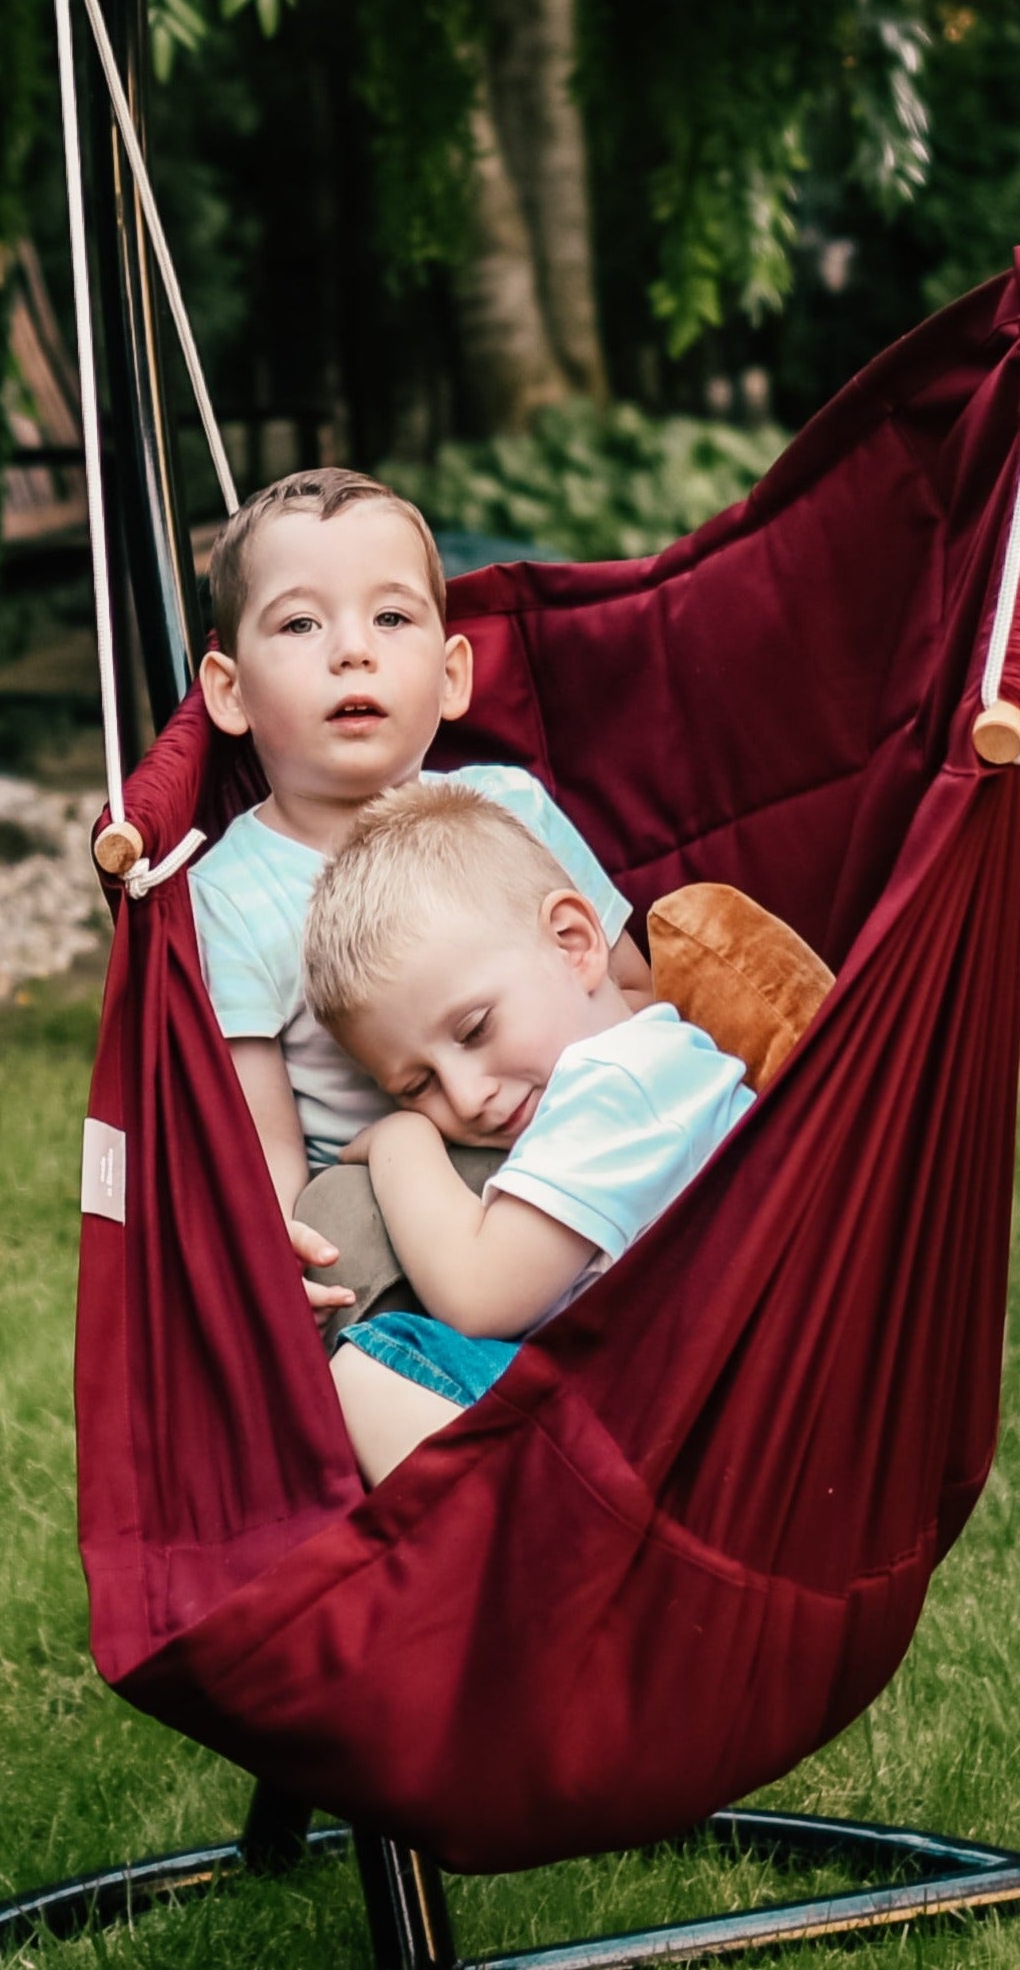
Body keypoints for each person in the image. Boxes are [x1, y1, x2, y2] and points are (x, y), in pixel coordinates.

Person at [188, 468, 653, 1325]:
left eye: (390, 616)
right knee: (333, 1232)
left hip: (573, 1136)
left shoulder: (507, 806)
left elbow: (632, 987)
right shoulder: (229, 893)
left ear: (450, 675)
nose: (351, 650)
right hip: (387, 1211)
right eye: (299, 623)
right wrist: (280, 1250)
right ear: (229, 690)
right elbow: (265, 1145)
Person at [305, 781, 753, 1482]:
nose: (466, 1094)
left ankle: (507, 1559)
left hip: (666, 1424)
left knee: (371, 1364)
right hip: (666, 1402)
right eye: (416, 1086)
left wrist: (400, 1139)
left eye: (474, 1028)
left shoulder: (624, 1079)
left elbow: (481, 1294)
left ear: (575, 943)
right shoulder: (642, 1076)